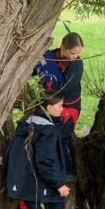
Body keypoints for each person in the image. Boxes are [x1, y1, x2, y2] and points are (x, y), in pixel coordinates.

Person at [4, 93, 75, 209]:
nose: (62, 109)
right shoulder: (48, 130)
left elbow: (12, 148)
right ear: (48, 108)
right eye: (59, 106)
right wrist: (58, 183)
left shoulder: (26, 124)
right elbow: (45, 160)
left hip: (26, 183)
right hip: (41, 181)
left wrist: (6, 159)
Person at [33, 32, 84, 176]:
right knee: (41, 133)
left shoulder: (76, 65)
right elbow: (34, 69)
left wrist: (47, 83)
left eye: (78, 53)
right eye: (73, 53)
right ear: (63, 47)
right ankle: (44, 170)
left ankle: (68, 173)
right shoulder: (48, 56)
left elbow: (65, 87)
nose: (75, 56)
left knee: (61, 137)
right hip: (51, 104)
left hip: (69, 106)